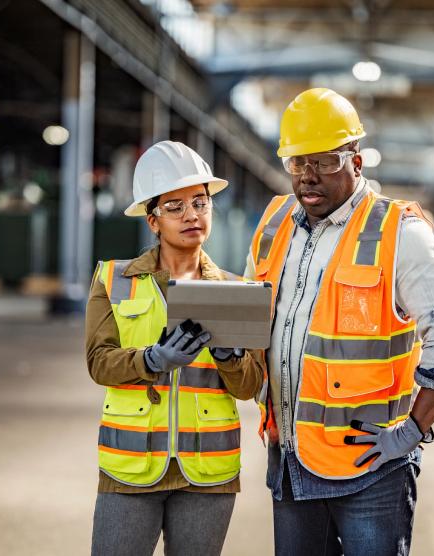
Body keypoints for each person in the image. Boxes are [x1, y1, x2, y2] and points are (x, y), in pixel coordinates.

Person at [245, 88, 434, 555]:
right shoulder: (274, 225)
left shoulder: (398, 232)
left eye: (326, 161)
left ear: (356, 161)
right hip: (290, 459)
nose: (309, 177)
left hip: (373, 471)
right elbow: (249, 319)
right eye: (297, 162)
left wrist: (411, 431)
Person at [86, 140, 264, 556]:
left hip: (207, 471)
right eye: (175, 206)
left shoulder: (238, 291)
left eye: (200, 203)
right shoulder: (114, 280)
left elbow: (250, 386)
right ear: (152, 220)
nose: (191, 215)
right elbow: (98, 363)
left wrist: (231, 360)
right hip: (130, 465)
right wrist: (151, 360)